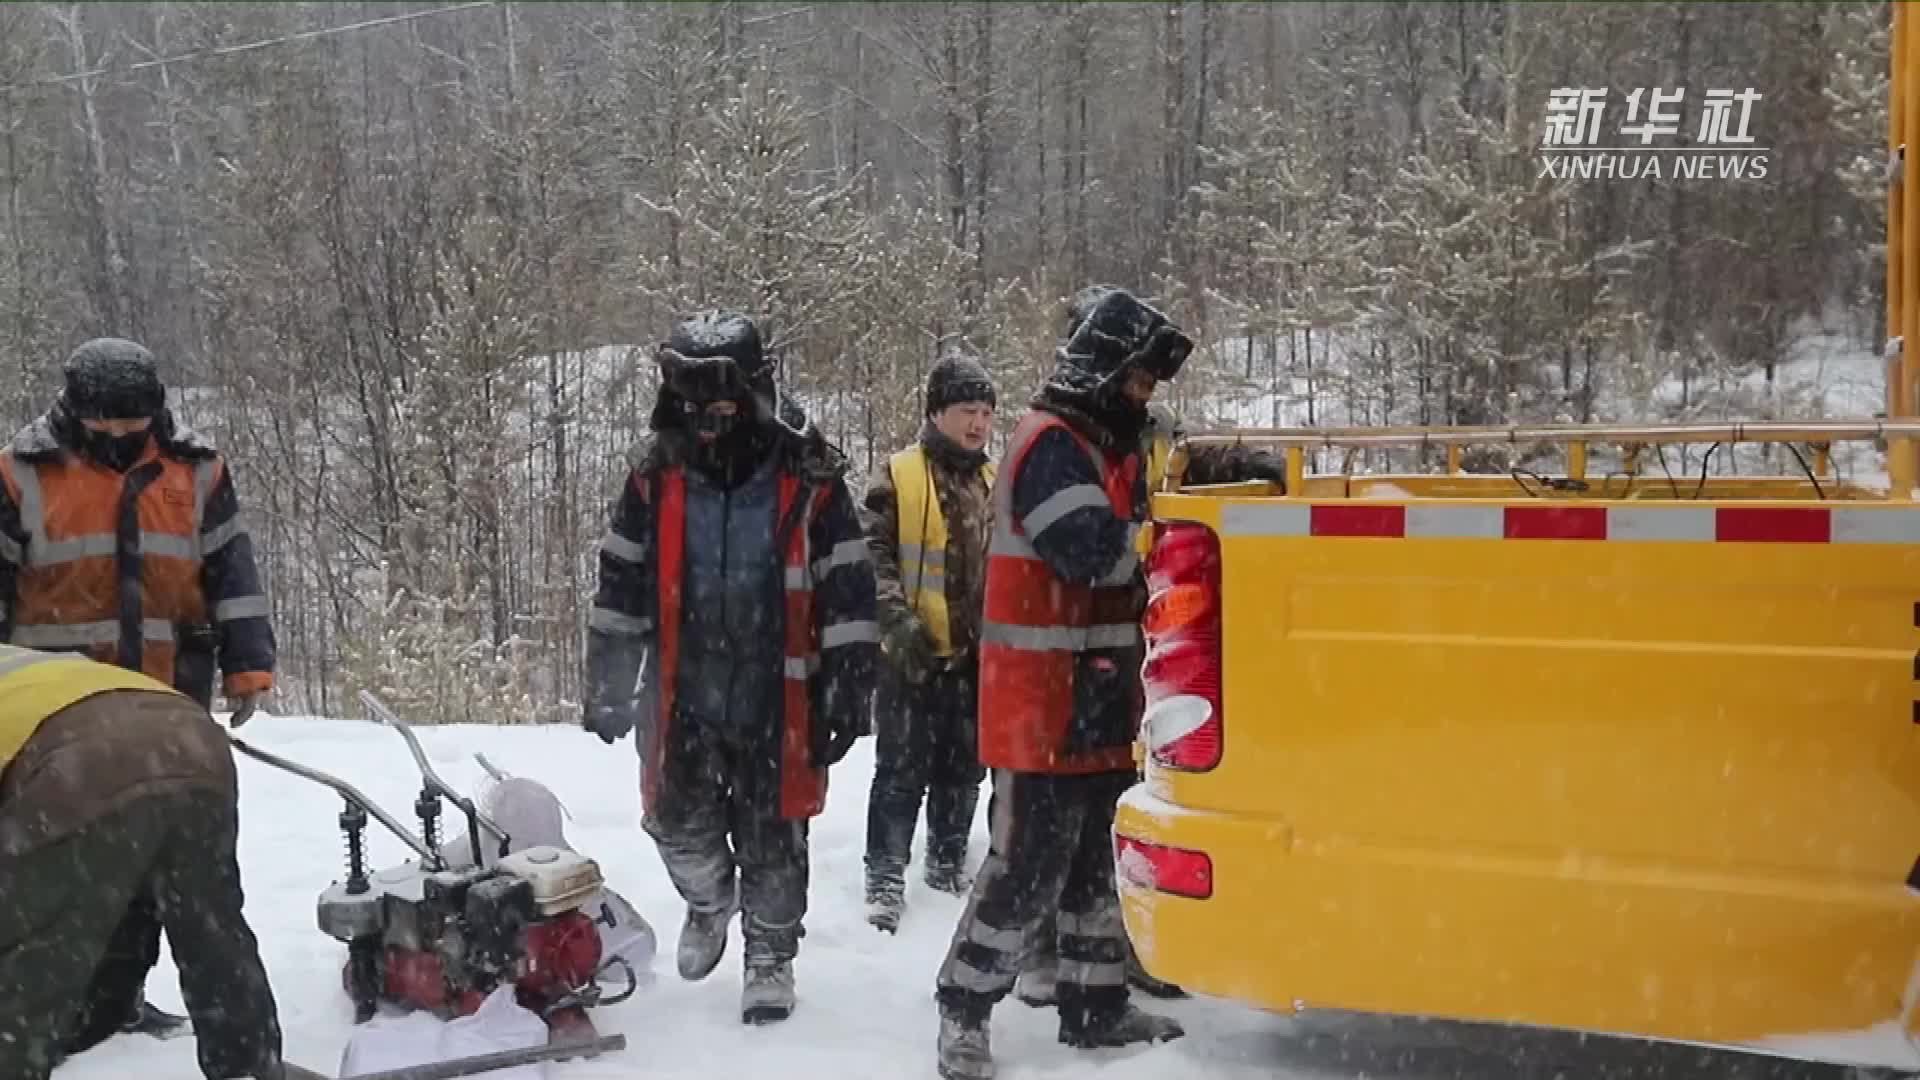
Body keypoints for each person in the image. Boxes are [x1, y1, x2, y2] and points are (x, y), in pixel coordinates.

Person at [583, 311, 879, 1026]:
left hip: (781, 692)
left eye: (723, 405)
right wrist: (606, 681)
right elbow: (621, 580)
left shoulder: (808, 474)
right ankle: (710, 900)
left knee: (774, 838)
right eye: (696, 407)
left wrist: (849, 683)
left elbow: (849, 585)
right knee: (674, 824)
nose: (710, 422)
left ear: (753, 394)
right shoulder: (655, 476)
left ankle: (771, 955)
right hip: (683, 689)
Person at [933, 287, 1189, 1080]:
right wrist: (1181, 538)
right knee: (1026, 865)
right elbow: (1095, 551)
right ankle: (964, 1009)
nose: (1144, 395)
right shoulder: (1049, 444)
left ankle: (1095, 1005)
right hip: (1042, 701)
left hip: (1099, 699)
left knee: (1091, 869)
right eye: (1139, 379)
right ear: (1103, 371)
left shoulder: (1105, 447)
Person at [0, 337, 276, 1041]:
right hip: (55, 712)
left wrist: (249, 664)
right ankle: (76, 1002)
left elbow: (232, 574)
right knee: (71, 863)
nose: (121, 440)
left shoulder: (198, 471)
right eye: (106, 429)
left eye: (133, 427)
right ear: (74, 409)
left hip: (166, 692)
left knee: (165, 860)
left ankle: (117, 997)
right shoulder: (19, 474)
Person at [0, 644, 283, 1080]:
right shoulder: (26, 665)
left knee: (33, 967)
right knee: (211, 930)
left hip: (80, 761)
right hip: (188, 735)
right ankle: (248, 1066)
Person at [860, 350, 997, 933]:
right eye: (968, 410)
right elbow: (870, 555)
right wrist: (895, 621)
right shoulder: (898, 474)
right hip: (910, 655)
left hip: (976, 658)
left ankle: (946, 864)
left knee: (964, 768)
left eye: (988, 413)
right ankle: (885, 876)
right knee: (900, 770)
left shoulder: (996, 479)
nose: (979, 424)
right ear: (937, 413)